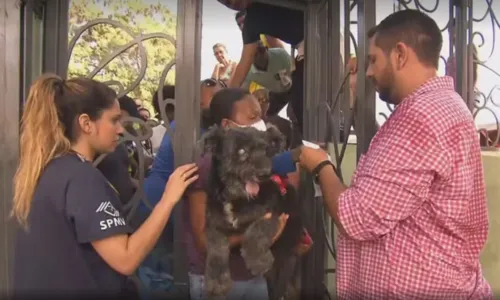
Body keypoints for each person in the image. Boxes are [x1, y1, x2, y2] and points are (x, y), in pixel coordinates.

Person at [297, 10, 492, 298]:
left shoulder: (420, 117)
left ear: (400, 55)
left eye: (373, 59)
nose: (368, 72)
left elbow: (357, 217)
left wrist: (321, 164)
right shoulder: (446, 106)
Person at [12, 74, 198, 297]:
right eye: (113, 120)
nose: (121, 129)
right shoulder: (81, 178)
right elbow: (126, 259)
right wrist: (168, 199)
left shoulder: (49, 169)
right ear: (86, 124)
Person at [186, 88, 296, 300]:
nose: (260, 124)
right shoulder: (206, 170)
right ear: (227, 125)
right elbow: (204, 242)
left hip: (251, 275)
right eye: (252, 117)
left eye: (261, 117)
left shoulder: (256, 166)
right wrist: (260, 235)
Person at [220, 0, 305, 133]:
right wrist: (224, 102)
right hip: (305, 47)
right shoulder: (251, 23)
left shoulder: (278, 53)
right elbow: (244, 63)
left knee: (306, 105)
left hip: (321, 30)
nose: (233, 3)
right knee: (301, 108)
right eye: (227, 3)